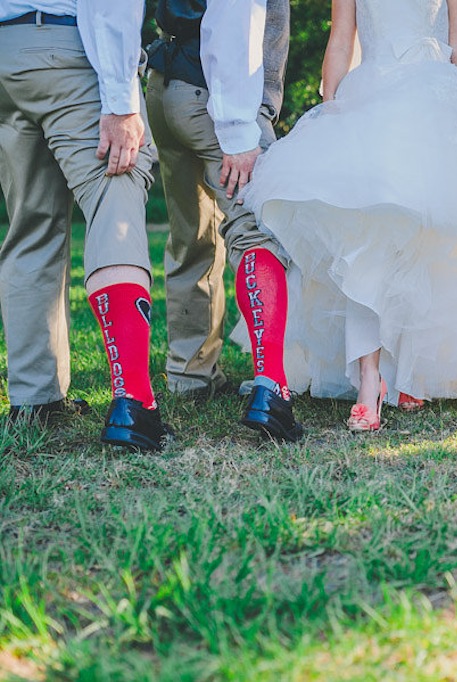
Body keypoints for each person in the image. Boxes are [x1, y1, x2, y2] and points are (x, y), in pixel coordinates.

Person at [241, 0, 457, 432]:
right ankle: (370, 377)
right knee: (367, 237)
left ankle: (410, 371)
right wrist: (331, 103)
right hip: (372, 96)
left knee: (431, 234)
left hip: (436, 94)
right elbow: (341, 39)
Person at [0, 0, 171, 450]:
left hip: (6, 54)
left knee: (30, 225)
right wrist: (120, 100)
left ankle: (34, 401)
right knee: (116, 194)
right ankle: (133, 403)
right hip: (69, 47)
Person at [145, 0, 302, 442]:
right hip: (215, 96)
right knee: (260, 229)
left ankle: (189, 374)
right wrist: (239, 130)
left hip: (166, 84)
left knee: (191, 232)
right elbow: (235, 18)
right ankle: (271, 387)